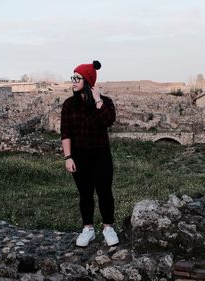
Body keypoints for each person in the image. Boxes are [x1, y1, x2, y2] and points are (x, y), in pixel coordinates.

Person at [60, 60, 118, 247]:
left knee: (104, 192)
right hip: (79, 157)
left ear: (87, 80)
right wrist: (68, 157)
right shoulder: (69, 105)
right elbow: (65, 133)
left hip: (101, 155)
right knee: (85, 194)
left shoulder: (105, 102)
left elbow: (109, 121)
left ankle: (108, 228)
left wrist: (99, 101)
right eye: (73, 77)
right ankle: (88, 230)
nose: (73, 81)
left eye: (77, 78)